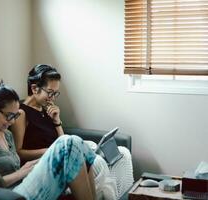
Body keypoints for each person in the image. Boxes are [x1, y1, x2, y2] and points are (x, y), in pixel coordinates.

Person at [11, 64, 133, 199]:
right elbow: (19, 153)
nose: (52, 97)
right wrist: (51, 151)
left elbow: (63, 141)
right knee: (98, 163)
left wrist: (57, 121)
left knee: (123, 153)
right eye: (50, 92)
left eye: (55, 93)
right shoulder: (21, 113)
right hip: (47, 163)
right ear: (34, 88)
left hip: (64, 156)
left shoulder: (47, 109)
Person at [0, 80, 97, 200]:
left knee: (77, 142)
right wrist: (21, 173)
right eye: (9, 115)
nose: (12, 122)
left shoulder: (7, 134)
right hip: (7, 195)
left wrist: (32, 167)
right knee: (67, 143)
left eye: (15, 116)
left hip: (22, 185)